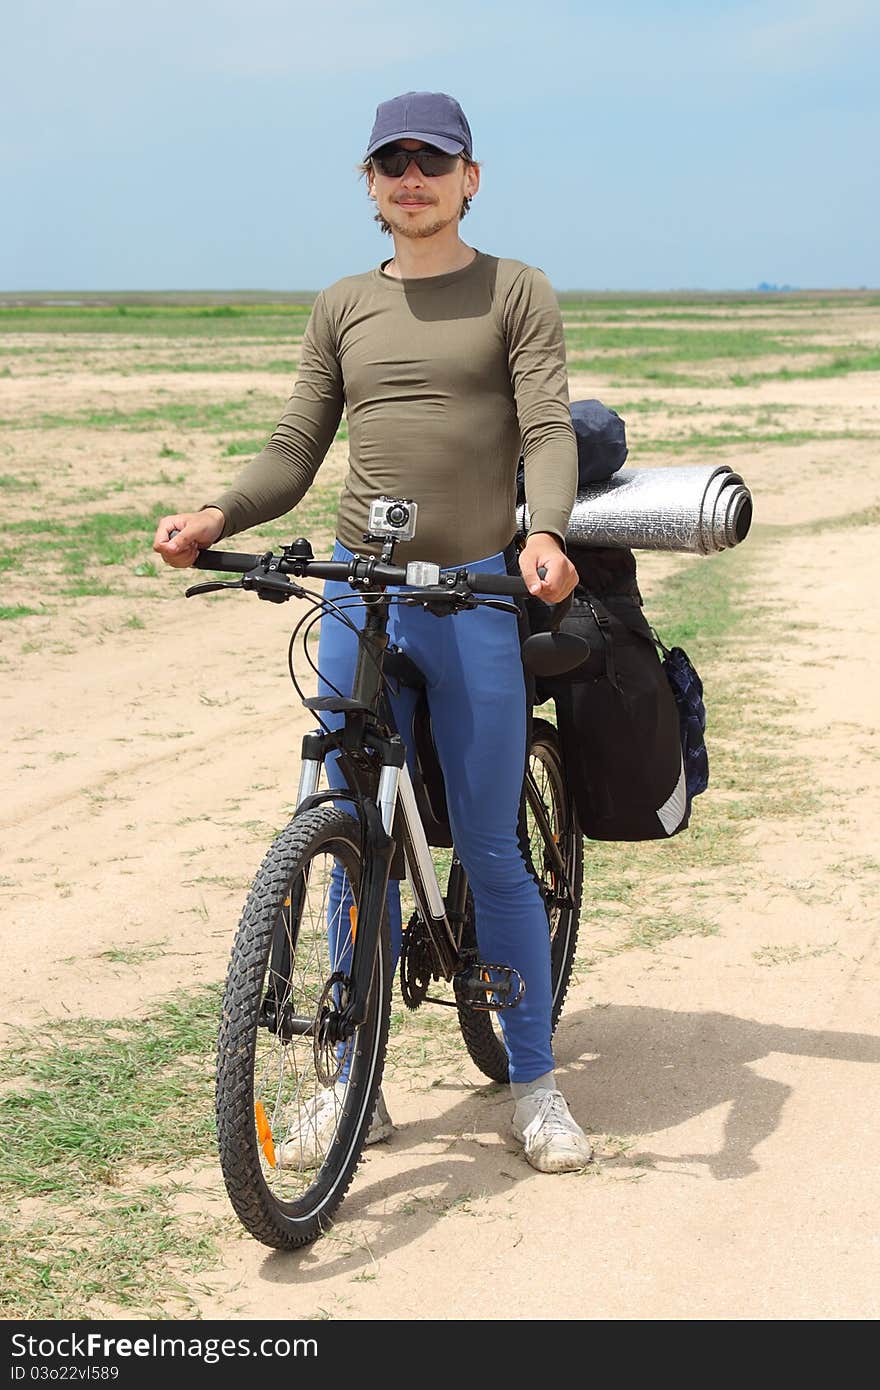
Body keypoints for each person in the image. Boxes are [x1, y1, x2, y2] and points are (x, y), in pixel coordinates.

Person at [154, 90, 593, 1172]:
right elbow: (296, 443)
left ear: (468, 178)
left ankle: (534, 1086)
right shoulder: (344, 303)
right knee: (349, 846)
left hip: (474, 593)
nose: (412, 179)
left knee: (491, 846)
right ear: (369, 185)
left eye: (431, 162)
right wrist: (218, 514)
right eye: (391, 163)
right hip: (361, 593)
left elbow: (544, 426)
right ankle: (358, 1084)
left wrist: (543, 533)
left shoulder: (515, 290)